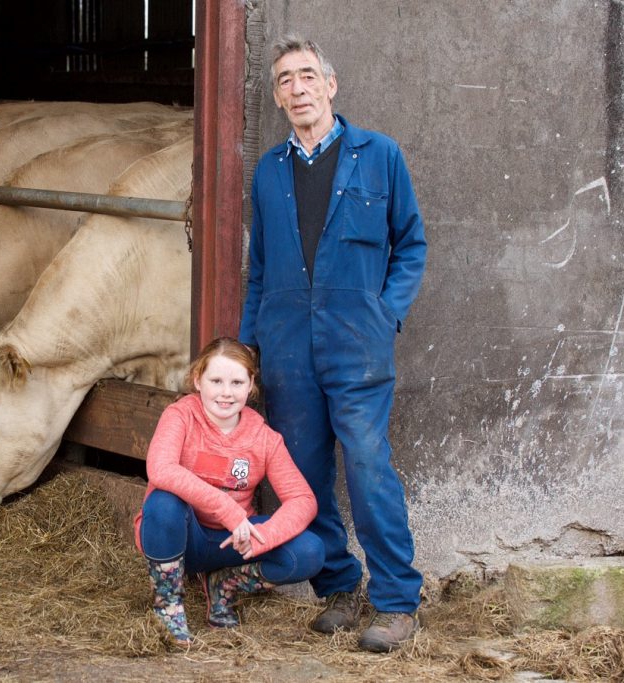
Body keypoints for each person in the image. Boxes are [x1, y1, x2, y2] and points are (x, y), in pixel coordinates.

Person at [238, 34, 428, 652]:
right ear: (276, 95)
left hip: (357, 343)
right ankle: (340, 586)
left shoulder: (380, 156)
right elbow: (260, 268)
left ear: (330, 84)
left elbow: (411, 245)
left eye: (307, 76)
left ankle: (397, 601)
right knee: (302, 473)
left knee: (369, 465)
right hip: (288, 342)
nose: (297, 88)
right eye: (285, 80)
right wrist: (248, 351)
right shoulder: (270, 170)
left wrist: (384, 313)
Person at [134, 337, 324, 643]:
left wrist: (267, 537)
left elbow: (302, 499)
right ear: (198, 381)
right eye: (216, 380)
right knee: (163, 501)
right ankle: (168, 605)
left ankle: (225, 585)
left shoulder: (263, 437)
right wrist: (228, 510)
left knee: (311, 551)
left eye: (237, 382)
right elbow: (161, 469)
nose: (226, 392)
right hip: (184, 537)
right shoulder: (181, 416)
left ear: (251, 385)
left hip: (234, 542)